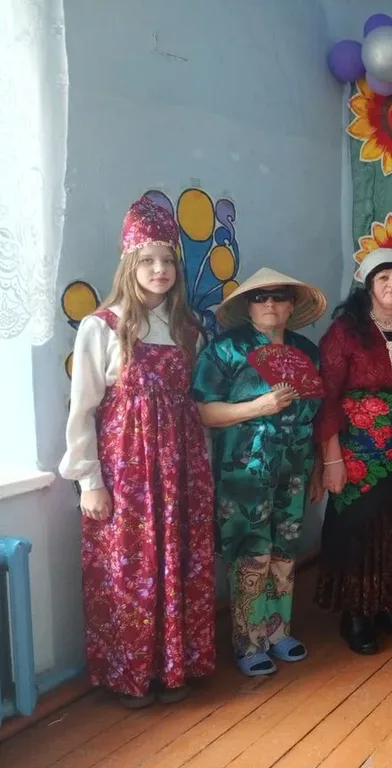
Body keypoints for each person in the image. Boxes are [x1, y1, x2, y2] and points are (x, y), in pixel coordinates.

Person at [59, 195, 215, 708]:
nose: (159, 269)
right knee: (130, 569)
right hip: (128, 471)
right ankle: (132, 674)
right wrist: (89, 481)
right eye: (148, 260)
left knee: (180, 561)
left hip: (182, 467)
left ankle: (175, 667)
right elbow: (83, 408)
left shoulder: (187, 328)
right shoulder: (102, 326)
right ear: (130, 263)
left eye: (168, 260)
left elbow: (191, 403)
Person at [191, 267, 327, 676]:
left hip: (295, 465)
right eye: (260, 297)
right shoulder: (224, 350)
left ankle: (278, 629)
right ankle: (248, 641)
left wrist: (318, 466)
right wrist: (258, 407)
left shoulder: (307, 350)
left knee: (285, 547)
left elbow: (317, 413)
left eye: (279, 296)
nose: (269, 303)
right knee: (250, 550)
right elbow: (203, 411)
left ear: (292, 305)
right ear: (248, 305)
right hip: (244, 470)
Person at [314, 248, 392, 654]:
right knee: (360, 531)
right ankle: (357, 613)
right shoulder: (345, 333)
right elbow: (327, 396)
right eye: (383, 278)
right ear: (368, 285)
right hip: (356, 454)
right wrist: (331, 459)